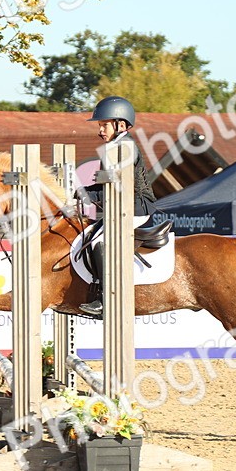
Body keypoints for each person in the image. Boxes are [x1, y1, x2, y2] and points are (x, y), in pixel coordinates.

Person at [78, 96, 157, 316]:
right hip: (122, 205)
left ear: (120, 124)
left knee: (99, 242)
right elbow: (107, 189)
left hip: (136, 207)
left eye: (104, 124)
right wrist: (81, 192)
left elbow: (114, 190)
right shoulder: (116, 145)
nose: (100, 130)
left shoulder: (124, 147)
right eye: (100, 125)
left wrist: (83, 192)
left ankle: (105, 298)